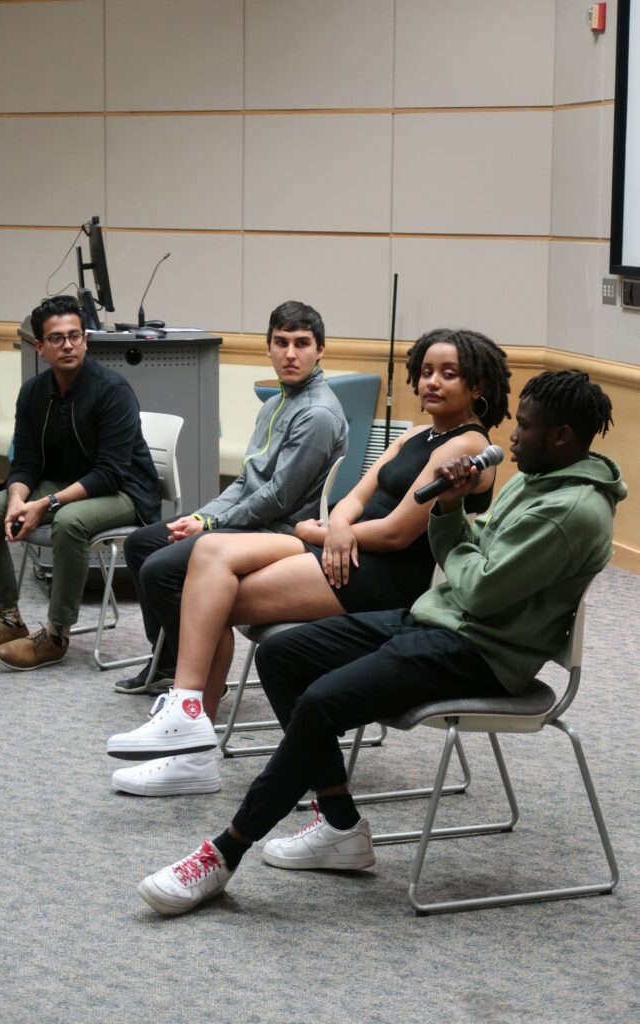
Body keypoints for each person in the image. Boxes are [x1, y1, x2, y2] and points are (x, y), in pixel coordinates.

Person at [133, 369, 626, 916]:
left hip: (481, 653)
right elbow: (472, 556)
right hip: (439, 621)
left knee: (321, 704)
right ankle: (341, 825)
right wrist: (447, 507)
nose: (510, 439)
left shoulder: (570, 511)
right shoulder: (539, 479)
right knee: (280, 655)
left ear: (561, 437)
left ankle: (222, 854)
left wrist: (459, 546)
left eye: (525, 428)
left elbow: (482, 591)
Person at [107, 328, 512, 796]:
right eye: (425, 372)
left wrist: (325, 532)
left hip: (382, 575)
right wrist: (332, 527)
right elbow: (356, 496)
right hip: (343, 550)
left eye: (449, 374)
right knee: (209, 552)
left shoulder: (465, 446)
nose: (432, 383)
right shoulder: (418, 433)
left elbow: (399, 532)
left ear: (477, 387)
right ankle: (188, 718)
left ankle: (191, 748)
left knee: (216, 597)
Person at [115, 299, 348, 697]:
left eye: (302, 343)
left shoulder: (317, 414)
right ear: (269, 347)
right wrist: (202, 519)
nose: (290, 353)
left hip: (281, 534)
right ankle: (169, 664)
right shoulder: (276, 403)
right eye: (281, 342)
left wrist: (212, 525)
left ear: (320, 349)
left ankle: (205, 676)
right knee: (141, 544)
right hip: (249, 521)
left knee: (160, 570)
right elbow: (246, 481)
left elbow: (277, 498)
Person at [0, 295, 160, 671]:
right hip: (61, 484)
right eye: (56, 338)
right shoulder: (33, 393)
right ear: (40, 347)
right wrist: (18, 499)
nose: (67, 345)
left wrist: (47, 504)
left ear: (86, 340)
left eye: (75, 336)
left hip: (123, 490)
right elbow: (27, 462)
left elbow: (110, 472)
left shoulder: (112, 390)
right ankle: (8, 620)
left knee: (70, 522)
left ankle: (55, 635)